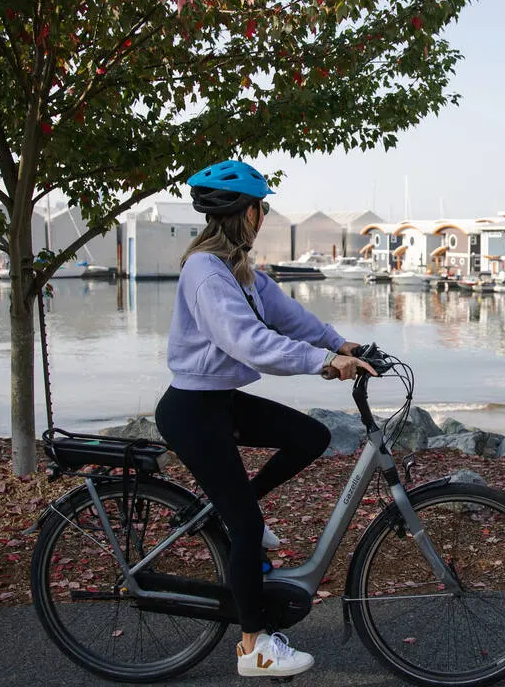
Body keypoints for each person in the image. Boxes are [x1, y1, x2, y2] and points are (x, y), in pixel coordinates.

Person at [154, 159, 375, 679]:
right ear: (246, 212)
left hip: (219, 401)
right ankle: (253, 646)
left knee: (309, 436)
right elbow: (248, 343)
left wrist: (341, 343)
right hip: (192, 411)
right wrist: (321, 362)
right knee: (248, 529)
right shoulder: (205, 272)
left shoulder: (239, 269)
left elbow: (287, 316)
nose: (265, 215)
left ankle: (233, 512)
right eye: (263, 207)